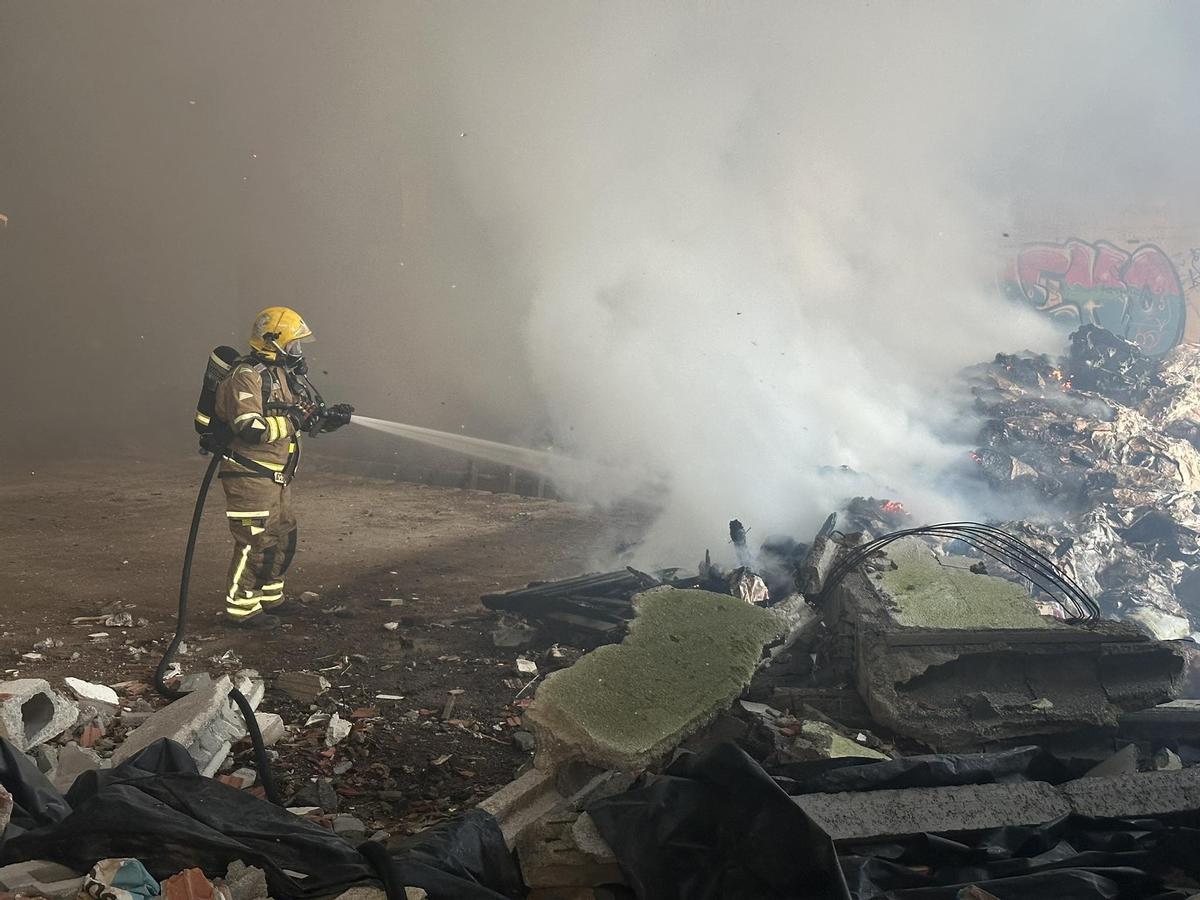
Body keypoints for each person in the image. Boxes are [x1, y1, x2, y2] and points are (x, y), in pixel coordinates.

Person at [213, 306, 352, 627]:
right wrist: (292, 419)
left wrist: (330, 420)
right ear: (273, 342)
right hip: (249, 475)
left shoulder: (281, 375)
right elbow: (250, 428)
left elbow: (300, 419)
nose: (298, 352)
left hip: (277, 476)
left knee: (284, 535)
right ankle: (242, 609)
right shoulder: (246, 376)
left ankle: (269, 597)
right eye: (294, 344)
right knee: (256, 540)